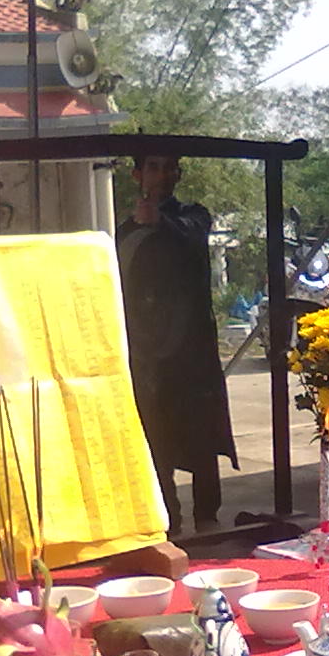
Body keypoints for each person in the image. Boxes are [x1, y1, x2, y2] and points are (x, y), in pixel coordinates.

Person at [116, 154, 237, 534]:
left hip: (190, 346)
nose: (163, 175)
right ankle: (168, 516)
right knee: (155, 435)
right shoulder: (124, 231)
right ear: (137, 174)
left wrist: (160, 221)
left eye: (169, 167)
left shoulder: (192, 217)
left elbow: (191, 239)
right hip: (145, 350)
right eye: (153, 167)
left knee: (200, 433)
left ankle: (207, 516)